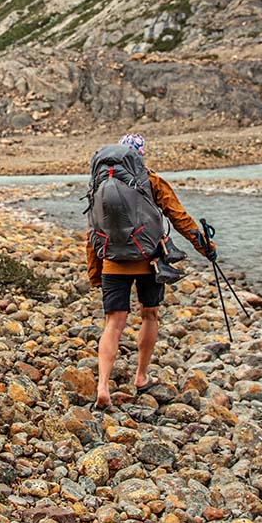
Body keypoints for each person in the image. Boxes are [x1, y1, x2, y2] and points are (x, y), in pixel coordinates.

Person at [87, 133, 214, 410]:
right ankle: (141, 376)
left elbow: (93, 227)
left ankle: (102, 386)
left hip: (112, 261)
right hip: (149, 260)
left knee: (113, 323)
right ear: (140, 155)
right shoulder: (150, 179)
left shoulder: (99, 182)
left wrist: (95, 271)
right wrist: (205, 247)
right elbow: (178, 216)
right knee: (149, 315)